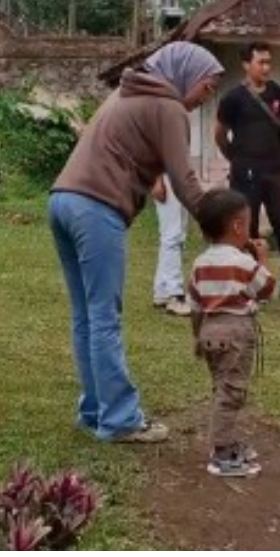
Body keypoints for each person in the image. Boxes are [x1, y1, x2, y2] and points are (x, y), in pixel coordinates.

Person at [50, 41, 222, 445]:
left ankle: (95, 410)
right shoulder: (168, 108)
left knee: (86, 316)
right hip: (96, 206)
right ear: (186, 74)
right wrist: (219, 226)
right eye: (207, 86)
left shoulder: (126, 93)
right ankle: (121, 419)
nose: (206, 97)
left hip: (62, 199)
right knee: (104, 316)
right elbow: (185, 180)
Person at [186, 188, 277, 477]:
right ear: (238, 226)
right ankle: (221, 451)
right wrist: (261, 258)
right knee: (232, 392)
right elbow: (265, 288)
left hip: (209, 329)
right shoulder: (242, 262)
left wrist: (197, 336)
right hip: (236, 332)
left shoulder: (200, 263)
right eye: (248, 223)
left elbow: (195, 304)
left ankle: (227, 440)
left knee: (221, 386)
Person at [215, 42, 280, 306]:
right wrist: (236, 158)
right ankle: (251, 286)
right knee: (246, 229)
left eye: (268, 62)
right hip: (245, 172)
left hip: (274, 170)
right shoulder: (233, 98)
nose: (266, 67)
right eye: (260, 62)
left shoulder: (277, 92)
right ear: (246, 64)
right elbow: (219, 134)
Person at [151, 174, 191, 316]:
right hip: (168, 176)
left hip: (178, 174)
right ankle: (175, 294)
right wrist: (156, 179)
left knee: (177, 234)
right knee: (172, 235)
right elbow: (154, 151)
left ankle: (162, 289)